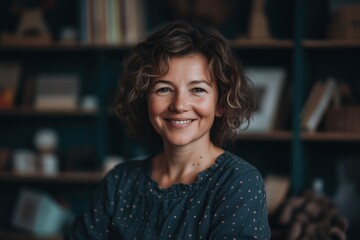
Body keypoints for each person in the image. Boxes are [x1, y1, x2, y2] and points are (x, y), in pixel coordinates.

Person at [64, 20, 271, 240]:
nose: (179, 105)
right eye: (164, 89)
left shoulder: (238, 183)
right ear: (145, 99)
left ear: (220, 104)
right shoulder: (119, 182)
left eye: (198, 89)